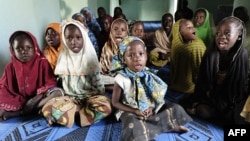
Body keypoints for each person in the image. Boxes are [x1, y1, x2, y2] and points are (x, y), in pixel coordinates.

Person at [111, 36, 192, 141]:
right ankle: (162, 126)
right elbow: (115, 103)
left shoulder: (148, 74)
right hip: (129, 110)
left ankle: (150, 128)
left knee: (175, 108)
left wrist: (152, 109)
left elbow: (153, 96)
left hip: (148, 109)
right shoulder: (121, 78)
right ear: (124, 60)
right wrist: (135, 111)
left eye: (141, 54)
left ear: (146, 56)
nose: (137, 58)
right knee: (131, 123)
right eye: (131, 55)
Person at [41, 19, 112, 128]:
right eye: (69, 38)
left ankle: (71, 114)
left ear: (84, 38)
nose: (74, 41)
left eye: (78, 37)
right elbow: (62, 82)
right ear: (64, 40)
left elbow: (98, 83)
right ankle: (81, 113)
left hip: (91, 97)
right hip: (71, 98)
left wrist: (102, 95)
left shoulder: (89, 58)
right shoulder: (63, 58)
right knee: (48, 106)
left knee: (106, 106)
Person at [187, 16, 249, 125]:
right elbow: (202, 84)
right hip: (211, 96)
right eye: (218, 33)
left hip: (230, 99)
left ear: (239, 35)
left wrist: (227, 79)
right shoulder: (211, 52)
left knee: (238, 117)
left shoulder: (242, 55)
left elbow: (239, 90)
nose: (221, 37)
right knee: (204, 111)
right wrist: (217, 81)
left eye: (227, 33)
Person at [0, 31, 63, 121]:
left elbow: (51, 82)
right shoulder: (10, 67)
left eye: (28, 47)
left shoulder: (42, 62)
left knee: (57, 93)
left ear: (35, 48)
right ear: (13, 50)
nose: (24, 51)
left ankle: (18, 113)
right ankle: (28, 111)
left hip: (40, 98)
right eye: (19, 48)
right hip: (20, 99)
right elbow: (3, 86)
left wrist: (35, 99)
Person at [168, 19, 206, 104]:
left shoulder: (197, 44)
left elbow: (200, 69)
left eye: (193, 27)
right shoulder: (177, 44)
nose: (193, 29)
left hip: (185, 82)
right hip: (186, 83)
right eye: (189, 27)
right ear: (179, 32)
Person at [99, 18, 129, 91]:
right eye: (115, 29)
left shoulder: (130, 46)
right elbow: (104, 68)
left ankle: (117, 88)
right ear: (111, 32)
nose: (119, 32)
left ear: (127, 33)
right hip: (109, 76)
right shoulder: (107, 46)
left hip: (126, 75)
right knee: (96, 79)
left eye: (122, 30)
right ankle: (119, 88)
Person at [148, 13, 173, 83]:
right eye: (165, 20)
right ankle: (168, 61)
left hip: (172, 53)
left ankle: (166, 60)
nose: (167, 23)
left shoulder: (176, 33)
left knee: (179, 55)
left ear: (172, 22)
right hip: (161, 52)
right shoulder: (157, 32)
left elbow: (177, 47)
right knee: (152, 54)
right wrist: (161, 52)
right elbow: (156, 46)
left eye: (170, 21)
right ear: (162, 22)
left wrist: (167, 54)